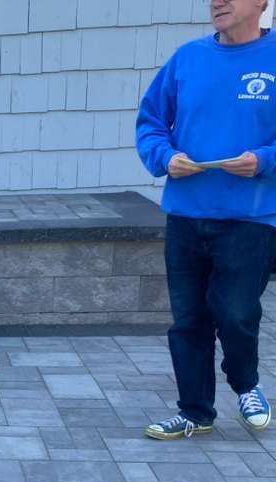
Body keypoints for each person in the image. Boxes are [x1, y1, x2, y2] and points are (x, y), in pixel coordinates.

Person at [136, 0, 276, 440]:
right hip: (185, 215)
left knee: (235, 313)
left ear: (262, 3)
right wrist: (166, 157)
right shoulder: (187, 58)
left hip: (251, 217)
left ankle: (246, 384)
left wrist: (264, 160)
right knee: (189, 319)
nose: (218, 1)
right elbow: (151, 122)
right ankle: (195, 411)